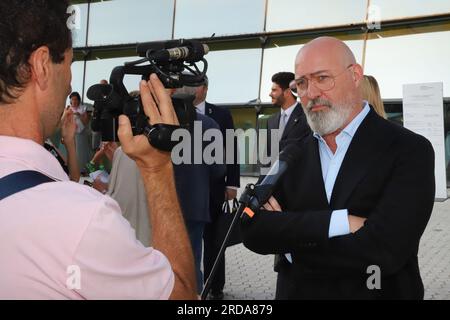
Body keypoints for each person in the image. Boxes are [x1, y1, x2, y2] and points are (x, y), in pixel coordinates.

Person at [0, 0, 196, 300]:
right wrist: (157, 168)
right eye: (69, 64)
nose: (69, 84)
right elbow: (182, 296)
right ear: (41, 66)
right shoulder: (81, 220)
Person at [241, 36, 435, 299]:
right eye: (302, 83)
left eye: (322, 78)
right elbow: (252, 229)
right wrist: (340, 222)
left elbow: (384, 251)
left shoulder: (409, 149)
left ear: (355, 75)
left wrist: (288, 244)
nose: (311, 92)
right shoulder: (292, 153)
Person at [195, 77, 240, 300]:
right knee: (191, 238)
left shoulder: (221, 115)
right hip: (189, 189)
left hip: (215, 188)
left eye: (194, 85)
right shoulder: (176, 113)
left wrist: (232, 183)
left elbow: (231, 148)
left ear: (204, 88)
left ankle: (215, 286)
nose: (189, 89)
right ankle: (193, 283)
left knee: (214, 239)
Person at [266, 71, 311, 161]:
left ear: (287, 92)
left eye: (274, 90)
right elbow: (267, 155)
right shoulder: (271, 121)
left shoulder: (308, 117)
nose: (270, 94)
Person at [68, 91, 91, 173]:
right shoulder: (68, 109)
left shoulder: (83, 108)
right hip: (71, 133)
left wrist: (79, 115)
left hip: (81, 133)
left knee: (82, 152)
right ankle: (72, 170)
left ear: (79, 100)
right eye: (72, 99)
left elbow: (86, 122)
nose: (74, 101)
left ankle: (83, 170)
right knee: (72, 152)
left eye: (75, 99)